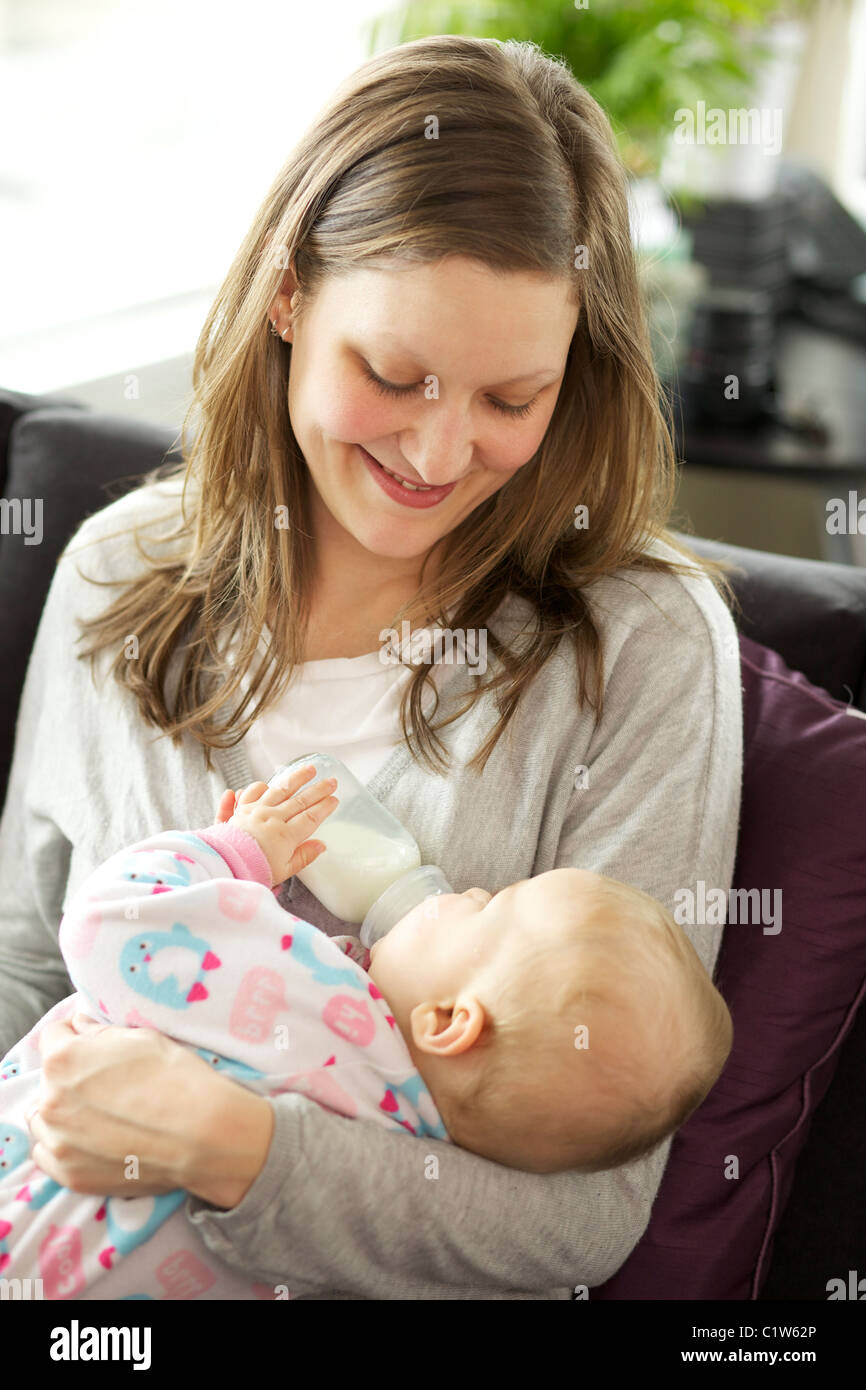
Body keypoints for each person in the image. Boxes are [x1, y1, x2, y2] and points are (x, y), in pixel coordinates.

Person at [0, 34, 743, 1299]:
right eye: (394, 375)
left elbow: (585, 1220)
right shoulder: (119, 573)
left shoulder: (642, 646)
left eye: (512, 398)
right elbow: (23, 965)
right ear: (288, 298)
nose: (440, 451)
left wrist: (235, 1150)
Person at [0, 767, 732, 1298]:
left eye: (489, 906)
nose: (469, 887)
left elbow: (107, 928)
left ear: (449, 1022)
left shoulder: (314, 1002)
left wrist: (235, 854)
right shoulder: (412, 1172)